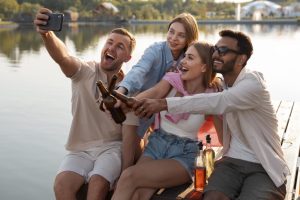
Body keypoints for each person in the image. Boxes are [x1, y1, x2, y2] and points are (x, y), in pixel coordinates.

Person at [132, 29, 290, 200]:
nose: (216, 54)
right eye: (215, 49)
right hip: (230, 163)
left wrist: (163, 104)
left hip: (263, 166)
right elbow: (211, 97)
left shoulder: (253, 83)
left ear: (241, 59)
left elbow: (218, 102)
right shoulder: (222, 85)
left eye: (223, 51)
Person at [34, 8, 140, 200]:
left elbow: (130, 133)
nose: (112, 48)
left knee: (97, 184)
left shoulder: (130, 86)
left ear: (127, 58)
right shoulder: (84, 72)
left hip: (112, 148)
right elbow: (63, 57)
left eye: (120, 47)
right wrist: (47, 34)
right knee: (61, 185)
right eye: (110, 42)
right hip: (79, 149)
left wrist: (125, 174)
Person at [111, 41, 220, 200]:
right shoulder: (172, 80)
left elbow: (215, 139)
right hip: (157, 144)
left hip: (186, 154)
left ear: (204, 67)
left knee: (128, 176)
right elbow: (153, 93)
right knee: (138, 195)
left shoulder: (213, 97)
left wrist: (205, 173)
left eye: (190, 58)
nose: (182, 61)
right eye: (184, 57)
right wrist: (124, 104)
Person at [116, 12, 199, 138]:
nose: (174, 38)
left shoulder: (189, 59)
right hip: (135, 105)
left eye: (181, 35)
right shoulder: (155, 50)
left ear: (190, 39)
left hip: (162, 112)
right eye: (171, 32)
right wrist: (121, 91)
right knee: (125, 146)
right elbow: (139, 70)